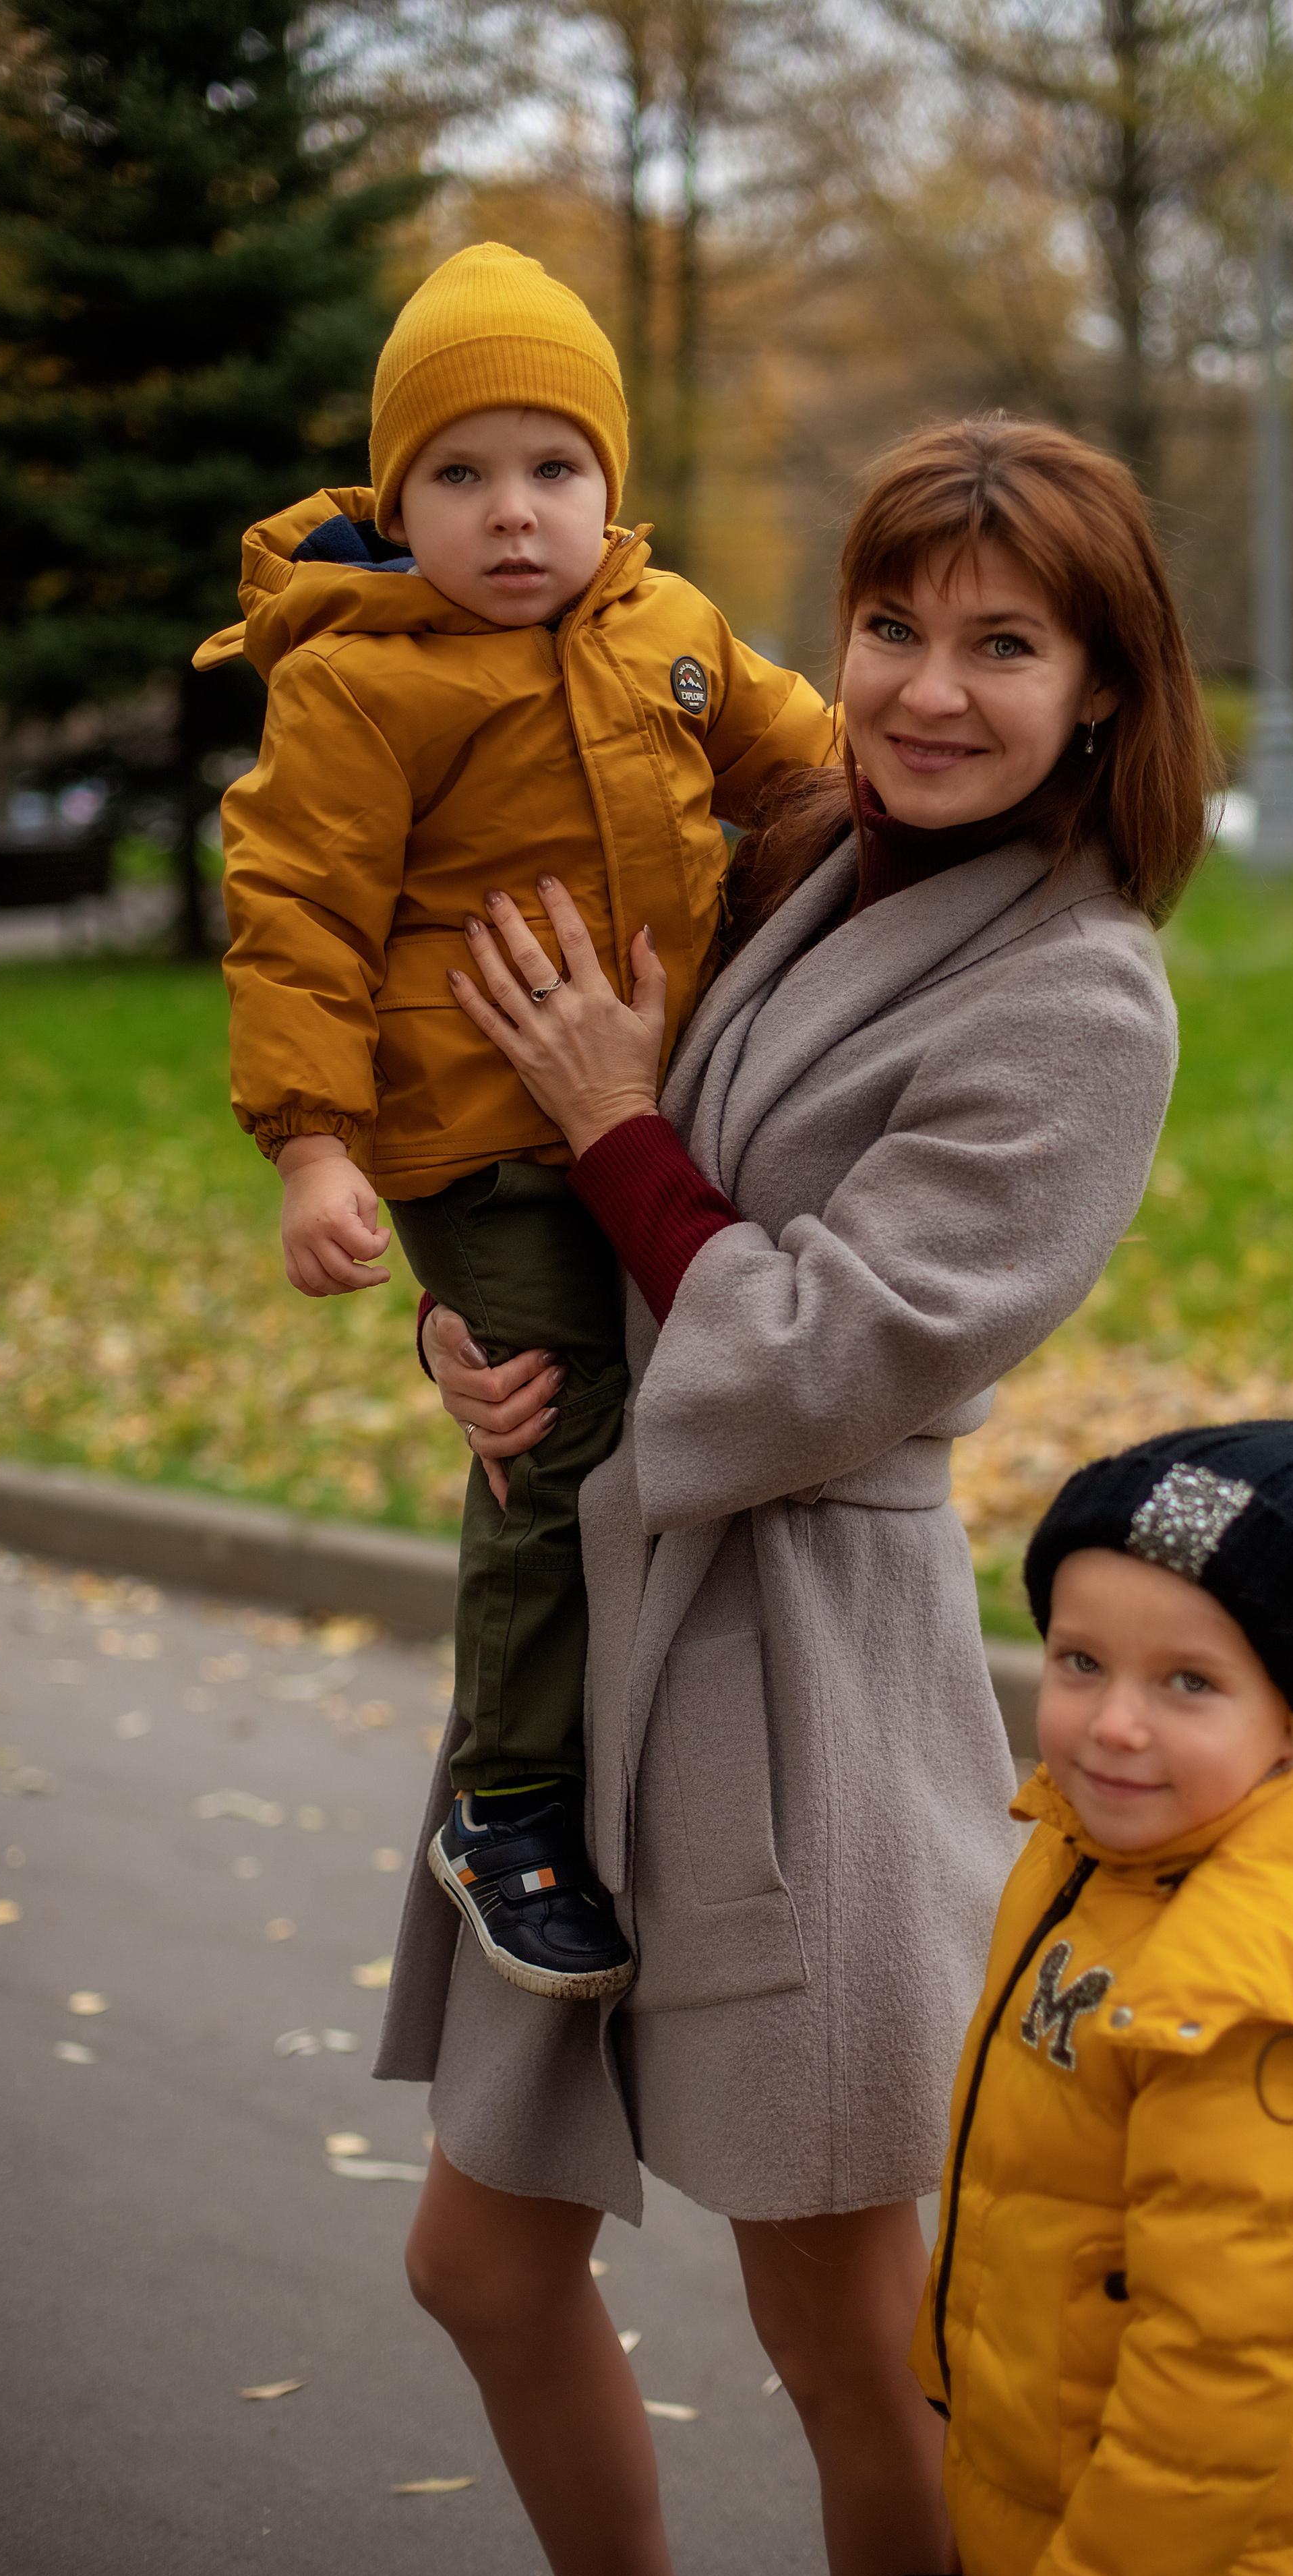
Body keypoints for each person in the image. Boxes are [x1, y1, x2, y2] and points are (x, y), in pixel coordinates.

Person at [375, 415, 1221, 2576]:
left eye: (1004, 645)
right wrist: (478, 1339)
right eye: (891, 627)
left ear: (1102, 689)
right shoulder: (795, 858)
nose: (929, 691)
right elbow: (569, 1208)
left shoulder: (1082, 998)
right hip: (594, 1646)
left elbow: (832, 1355)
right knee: (478, 2269)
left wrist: (614, 1125)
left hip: (803, 1695)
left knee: (846, 2343)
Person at [197, 241, 834, 1998]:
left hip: (643, 1118)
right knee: (553, 1440)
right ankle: (511, 1801)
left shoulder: (670, 631)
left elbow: (808, 757)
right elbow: (299, 912)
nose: (512, 513)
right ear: (397, 504)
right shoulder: (361, 681)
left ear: (607, 484)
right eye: (459, 475)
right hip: (475, 1141)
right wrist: (312, 1145)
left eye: (554, 467)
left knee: (649, 1396)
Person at [909, 1421, 1293, 2576]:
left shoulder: (1259, 1992)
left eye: (1189, 1682)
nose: (1114, 1722)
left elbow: (1215, 2383)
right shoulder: (1099, 1842)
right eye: (1081, 1662)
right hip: (1039, 2462)